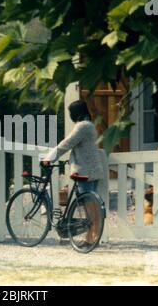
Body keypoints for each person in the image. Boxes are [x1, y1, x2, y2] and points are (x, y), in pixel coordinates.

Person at [41, 100, 104, 246]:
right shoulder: (90, 125)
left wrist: (49, 157)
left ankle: (91, 238)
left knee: (89, 206)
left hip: (85, 170)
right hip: (93, 169)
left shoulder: (82, 126)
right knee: (93, 204)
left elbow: (67, 143)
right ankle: (94, 237)